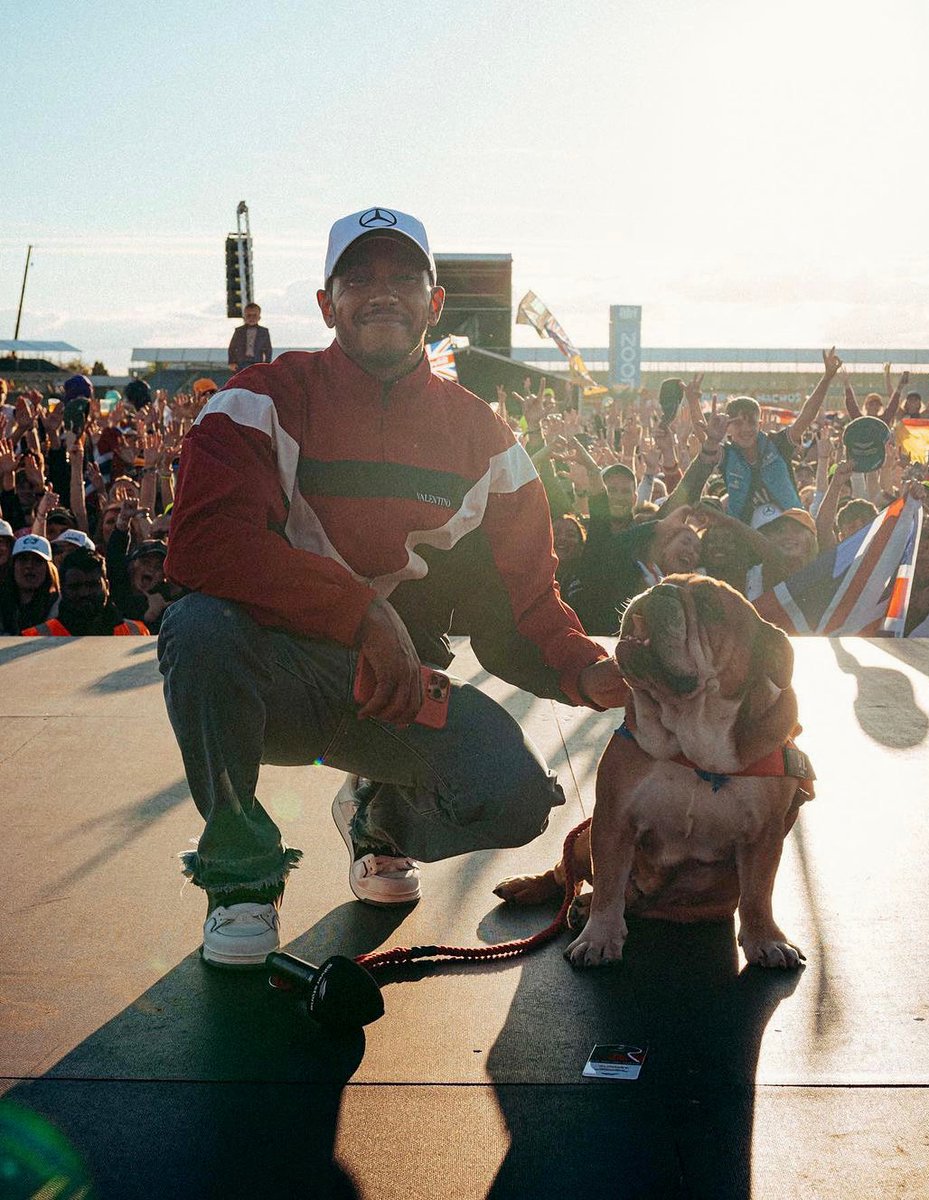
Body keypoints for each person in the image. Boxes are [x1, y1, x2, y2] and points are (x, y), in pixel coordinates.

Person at [158, 205, 626, 968]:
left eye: (404, 277)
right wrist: (362, 613)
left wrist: (588, 670)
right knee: (198, 627)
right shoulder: (258, 400)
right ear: (325, 304)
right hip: (271, 678)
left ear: (434, 303)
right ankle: (240, 879)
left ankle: (377, 817)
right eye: (359, 277)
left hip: (394, 693)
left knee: (513, 797)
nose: (383, 292)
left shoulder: (488, 442)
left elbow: (523, 608)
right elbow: (205, 545)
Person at [720, 348, 842, 526]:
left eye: (752, 423)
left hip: (792, 532)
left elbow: (805, 417)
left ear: (760, 425)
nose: (746, 429)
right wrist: (693, 404)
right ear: (728, 427)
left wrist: (827, 378)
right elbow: (705, 443)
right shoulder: (726, 455)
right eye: (738, 423)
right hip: (745, 541)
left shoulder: (777, 444)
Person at [22, 547, 149, 636]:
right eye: (75, 587)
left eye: (92, 585)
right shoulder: (36, 637)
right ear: (62, 590)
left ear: (107, 587)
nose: (84, 593)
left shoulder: (136, 633)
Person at [0, 535, 60, 634]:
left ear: (48, 569)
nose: (29, 566)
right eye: (23, 560)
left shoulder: (60, 605)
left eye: (38, 561)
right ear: (13, 565)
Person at [228, 303, 273, 372]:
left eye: (254, 315)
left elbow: (268, 349)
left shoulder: (264, 331)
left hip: (257, 362)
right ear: (244, 317)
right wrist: (231, 362)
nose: (251, 318)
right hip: (241, 363)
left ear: (259, 317)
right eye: (248, 315)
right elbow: (232, 347)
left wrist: (267, 364)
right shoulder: (239, 331)